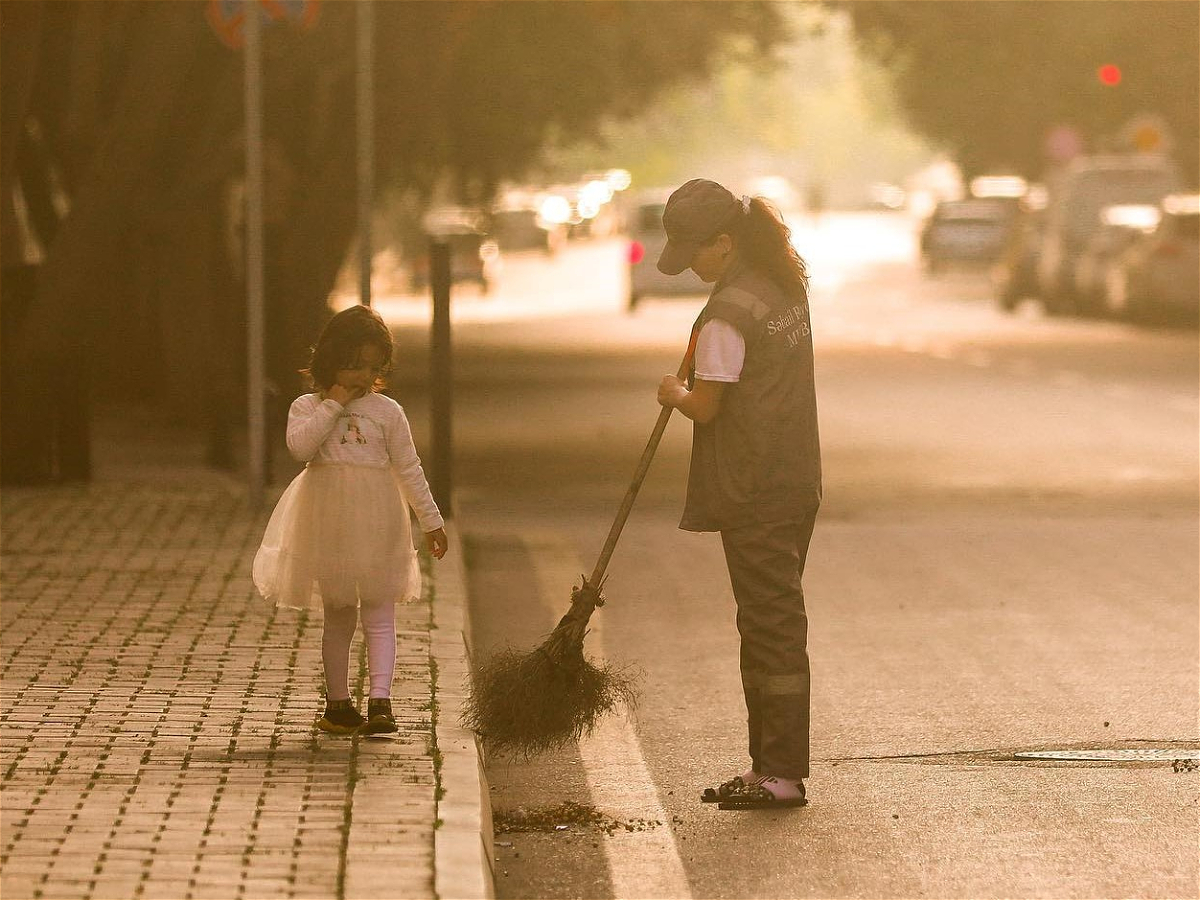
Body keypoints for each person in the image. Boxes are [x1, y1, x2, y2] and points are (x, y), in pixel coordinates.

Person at [654, 179, 821, 810]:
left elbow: (705, 405)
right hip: (794, 477)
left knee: (769, 625)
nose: (692, 263)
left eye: (696, 251)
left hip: (754, 487)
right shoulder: (780, 289)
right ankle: (768, 767)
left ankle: (779, 772)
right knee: (771, 620)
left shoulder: (728, 314)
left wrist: (672, 393)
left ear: (725, 242)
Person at [253, 305, 448, 736]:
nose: (362, 376)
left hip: (379, 519)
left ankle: (381, 701)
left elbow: (408, 467)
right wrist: (332, 406)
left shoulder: (388, 412)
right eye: (353, 364)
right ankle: (338, 704)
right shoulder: (306, 406)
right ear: (329, 359)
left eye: (372, 367)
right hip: (328, 522)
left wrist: (431, 520)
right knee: (339, 613)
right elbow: (300, 450)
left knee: (380, 611)